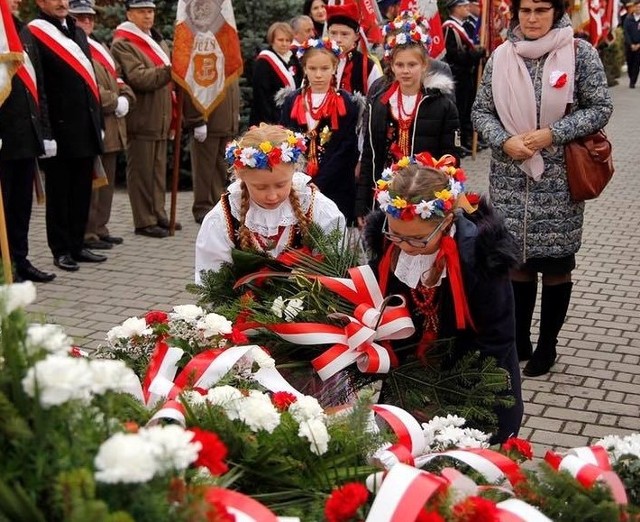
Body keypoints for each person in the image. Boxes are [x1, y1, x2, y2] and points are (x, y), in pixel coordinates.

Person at [471, 0, 613, 377]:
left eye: (541, 10)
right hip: (510, 177)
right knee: (516, 263)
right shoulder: (503, 55)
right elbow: (480, 111)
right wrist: (503, 140)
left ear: (557, 12)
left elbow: (599, 108)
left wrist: (553, 133)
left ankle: (547, 346)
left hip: (558, 180)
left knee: (555, 266)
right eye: (526, 10)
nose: (532, 18)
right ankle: (519, 341)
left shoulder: (579, 53)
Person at [363, 156, 523, 443]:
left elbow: (497, 337)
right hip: (411, 378)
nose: (405, 246)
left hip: (472, 384)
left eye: (418, 240)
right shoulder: (391, 244)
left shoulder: (481, 257)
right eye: (395, 234)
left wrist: (454, 387)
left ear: (447, 221)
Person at [194, 124, 345, 282]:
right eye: (260, 187)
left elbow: (336, 270)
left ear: (294, 171)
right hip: (242, 305)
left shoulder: (317, 208)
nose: (272, 196)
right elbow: (211, 279)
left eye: (281, 185)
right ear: (241, 177)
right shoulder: (224, 217)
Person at [356, 13, 460, 221]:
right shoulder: (380, 103)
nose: (405, 71)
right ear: (391, 66)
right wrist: (361, 205)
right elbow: (370, 155)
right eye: (400, 65)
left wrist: (446, 200)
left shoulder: (442, 105)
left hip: (424, 196)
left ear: (424, 65)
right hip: (384, 193)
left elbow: (450, 158)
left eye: (412, 65)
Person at [29, 0, 106, 272]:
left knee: (81, 191)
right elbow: (39, 87)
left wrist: (97, 122)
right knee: (60, 193)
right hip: (60, 130)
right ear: (40, 2)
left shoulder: (77, 32)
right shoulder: (35, 32)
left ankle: (77, 244)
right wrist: (46, 132)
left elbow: (90, 81)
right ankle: (60, 249)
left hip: (84, 126)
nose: (62, 3)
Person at [69, 0, 135, 251]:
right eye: (81, 17)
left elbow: (118, 77)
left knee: (106, 181)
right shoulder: (75, 47)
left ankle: (100, 227)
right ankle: (88, 232)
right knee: (93, 182)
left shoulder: (100, 45)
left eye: (90, 18)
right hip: (97, 120)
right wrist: (113, 100)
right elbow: (90, 88)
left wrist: (126, 96)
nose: (87, 22)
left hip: (114, 123)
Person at [111, 0, 178, 239]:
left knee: (157, 171)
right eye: (141, 11)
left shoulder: (158, 41)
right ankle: (144, 220)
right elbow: (139, 78)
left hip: (160, 116)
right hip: (142, 117)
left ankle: (158, 212)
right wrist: (170, 69)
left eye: (150, 11)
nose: (147, 16)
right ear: (130, 14)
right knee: (141, 171)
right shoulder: (124, 43)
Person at [0, 0, 55, 282]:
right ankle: (3, 266)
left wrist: (44, 132)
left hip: (26, 136)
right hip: (4, 137)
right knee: (3, 207)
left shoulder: (23, 32)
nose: (18, 1)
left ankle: (20, 260)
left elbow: (38, 86)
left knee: (21, 207)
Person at [279, 39, 360, 224]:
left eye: (324, 69)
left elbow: (346, 148)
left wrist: (321, 182)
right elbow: (285, 140)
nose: (318, 75)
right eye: (312, 68)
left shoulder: (345, 102)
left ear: (335, 67)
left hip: (336, 185)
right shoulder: (293, 100)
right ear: (304, 68)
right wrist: (301, 180)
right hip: (298, 184)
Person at [183, 80, 240, 224]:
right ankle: (203, 206)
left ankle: (217, 204)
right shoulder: (206, 57)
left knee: (221, 168)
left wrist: (235, 112)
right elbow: (194, 88)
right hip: (208, 122)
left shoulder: (227, 59)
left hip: (225, 121)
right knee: (204, 169)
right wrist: (197, 120)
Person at [443, 0, 485, 155]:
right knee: (458, 111)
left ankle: (466, 139)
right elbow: (453, 55)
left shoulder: (460, 27)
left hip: (466, 75)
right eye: (464, 6)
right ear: (455, 8)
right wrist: (474, 54)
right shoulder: (450, 27)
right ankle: (457, 144)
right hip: (457, 75)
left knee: (467, 109)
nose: (468, 8)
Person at [249, 22, 301, 127]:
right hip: (268, 118)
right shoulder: (263, 61)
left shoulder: (293, 58)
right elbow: (261, 96)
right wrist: (270, 123)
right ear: (272, 40)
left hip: (290, 115)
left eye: (288, 40)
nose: (284, 44)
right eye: (280, 40)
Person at [326, 1, 383, 96]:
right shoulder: (318, 60)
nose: (338, 39)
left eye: (345, 34)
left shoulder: (367, 65)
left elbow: (377, 101)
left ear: (356, 36)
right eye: (333, 33)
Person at [623, 0, 640, 88]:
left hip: (639, 46)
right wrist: (631, 44)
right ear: (634, 8)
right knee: (630, 63)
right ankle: (631, 77)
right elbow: (626, 32)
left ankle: (633, 82)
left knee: (636, 64)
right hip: (629, 45)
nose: (638, 9)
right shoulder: (628, 18)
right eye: (637, 7)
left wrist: (638, 45)